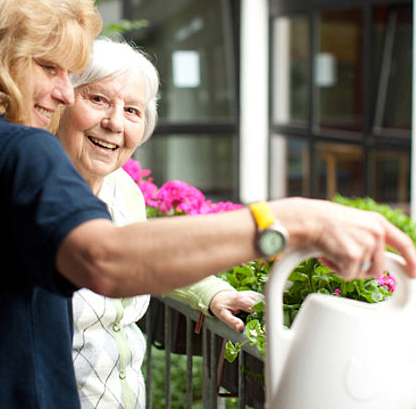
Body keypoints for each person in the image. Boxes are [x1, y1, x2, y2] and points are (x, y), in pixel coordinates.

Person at [0, 0, 416, 409]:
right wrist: (291, 221)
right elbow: (107, 261)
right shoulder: (17, 150)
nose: (61, 93)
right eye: (50, 69)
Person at [54, 37, 261, 408]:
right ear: (61, 101)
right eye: (98, 99)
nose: (114, 122)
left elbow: (144, 257)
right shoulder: (33, 191)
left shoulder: (122, 189)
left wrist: (212, 294)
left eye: (132, 110)